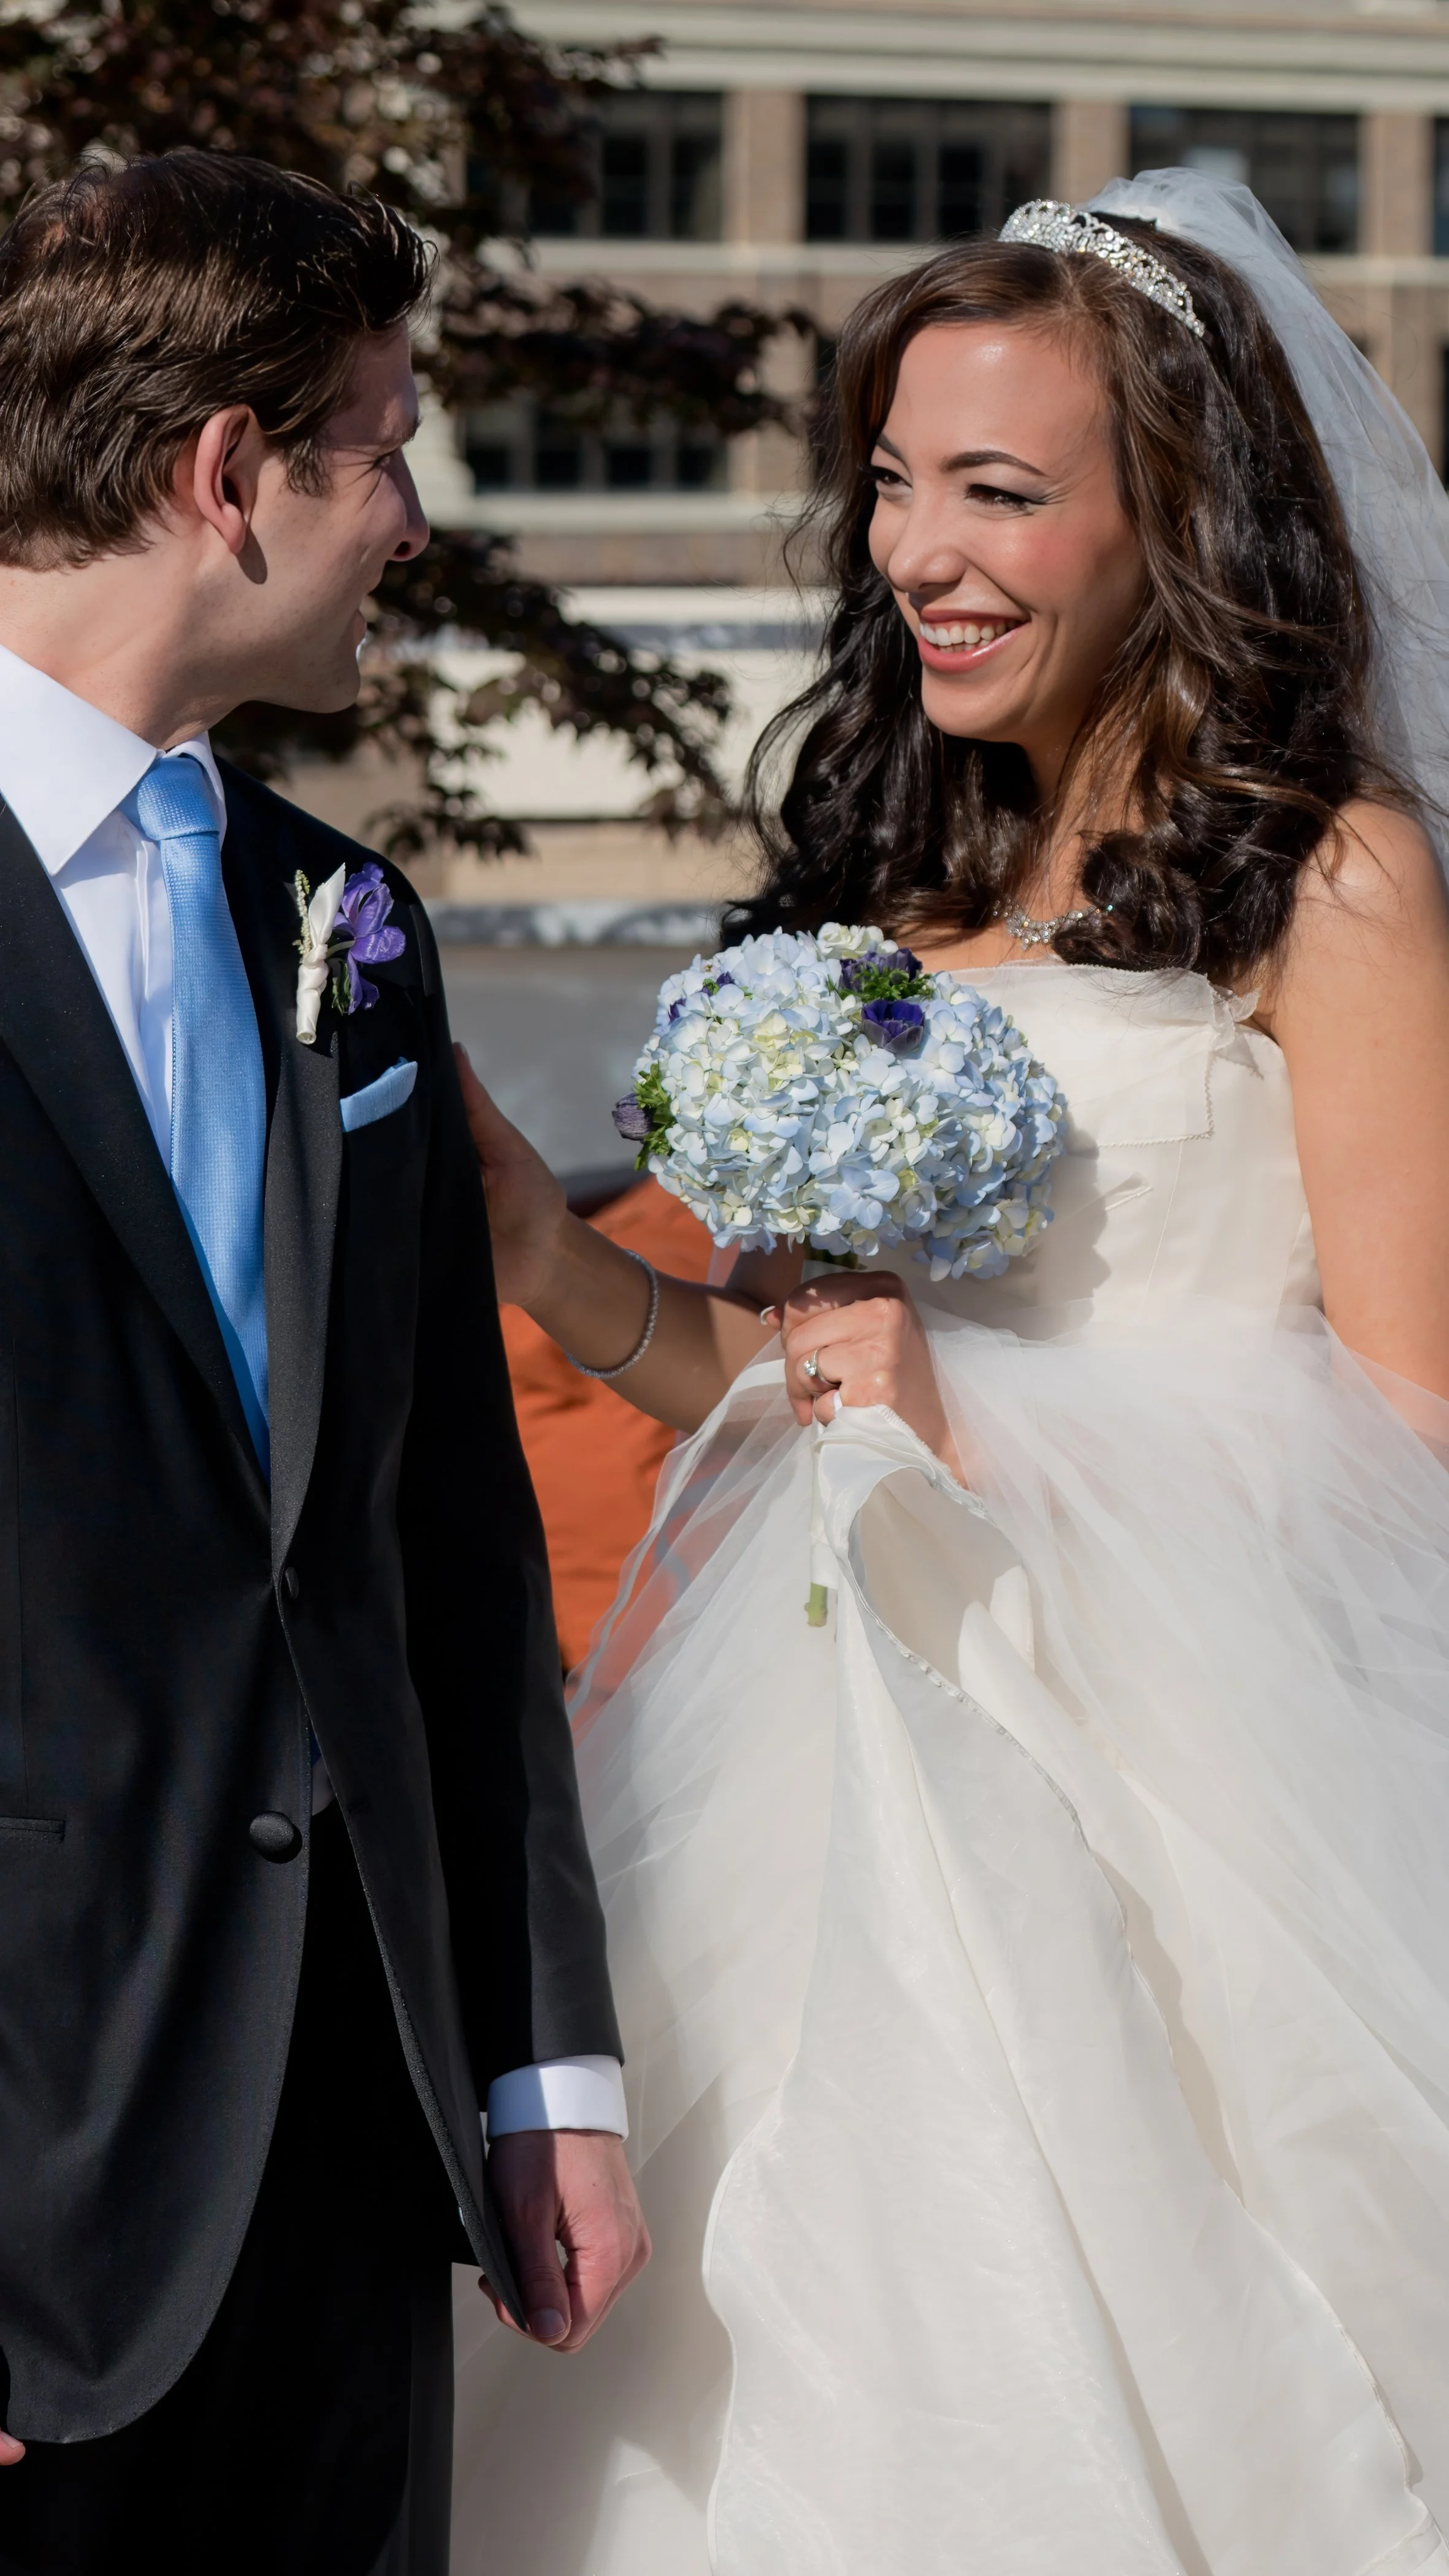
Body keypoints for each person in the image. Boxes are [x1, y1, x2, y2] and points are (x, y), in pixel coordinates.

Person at [454, 174, 1449, 2574]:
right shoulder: (901, 900)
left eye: (996, 491)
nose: (918, 550)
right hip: (809, 1735)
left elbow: (1414, 1425)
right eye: (895, 481)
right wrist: (526, 1245)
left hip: (1171, 1783)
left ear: (1172, 519)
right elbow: (782, 1384)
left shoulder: (1327, 884)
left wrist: (975, 1425)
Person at [0, 150, 647, 2576]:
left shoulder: (344, 925)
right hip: (36, 2194)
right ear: (223, 475)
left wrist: (538, 2063)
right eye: (379, 443)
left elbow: (439, 1532)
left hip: (356, 2168)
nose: (408, 514)